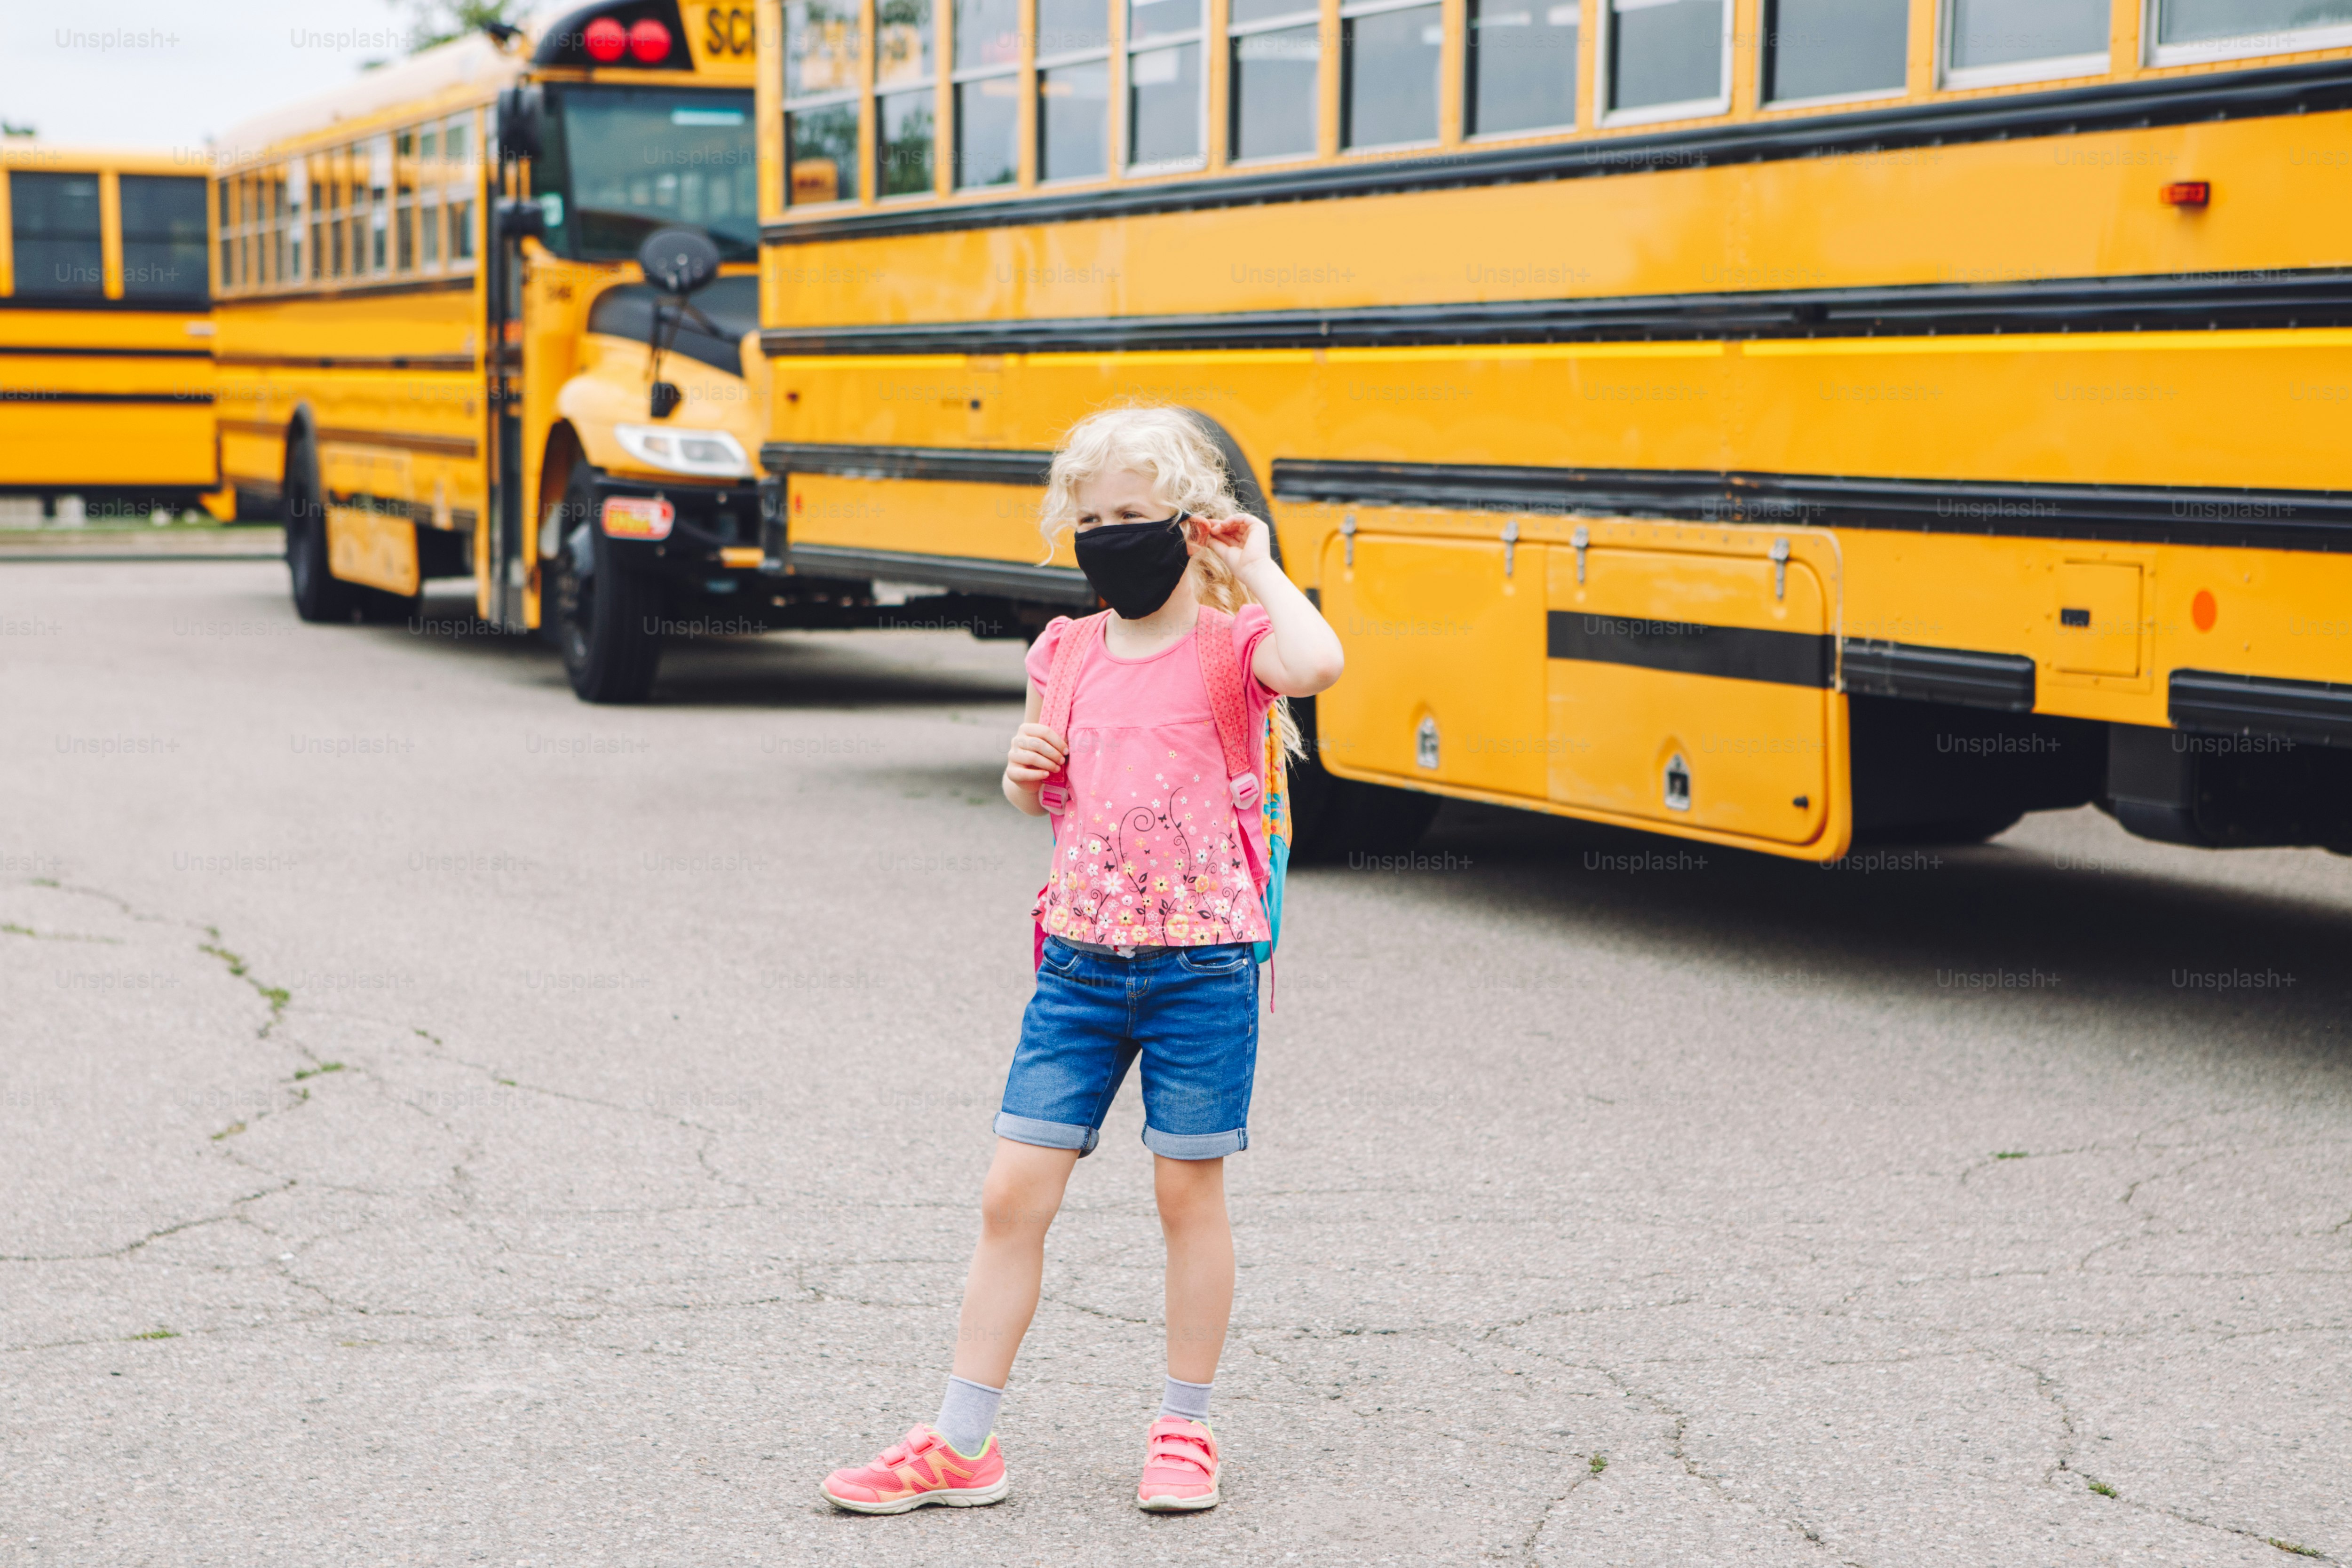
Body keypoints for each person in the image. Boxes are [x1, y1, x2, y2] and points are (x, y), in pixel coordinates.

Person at [818, 406, 1346, 1516]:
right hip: (1078, 966)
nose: (1111, 533)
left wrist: (1251, 569)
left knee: (1184, 1195)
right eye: (1093, 515)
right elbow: (1041, 792)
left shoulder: (1230, 645)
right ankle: (962, 1442)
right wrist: (1019, 769)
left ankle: (1182, 1427)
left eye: (1135, 515)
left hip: (1204, 966)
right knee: (1011, 1193)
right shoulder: (1062, 652)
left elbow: (1319, 662)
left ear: (1188, 522)